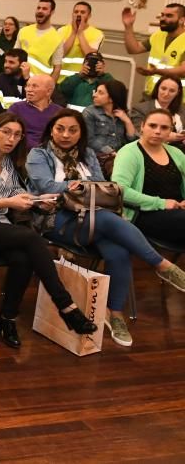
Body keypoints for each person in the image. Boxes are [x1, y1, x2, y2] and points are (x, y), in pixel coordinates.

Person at [0, 112, 97, 348]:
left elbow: (14, 194)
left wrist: (36, 200)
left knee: (23, 258)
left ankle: (7, 319)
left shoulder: (11, 161)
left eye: (18, 135)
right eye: (7, 133)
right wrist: (9, 203)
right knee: (31, 238)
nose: (12, 139)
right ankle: (66, 306)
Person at [29, 109, 185, 346]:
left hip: (93, 217)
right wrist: (80, 186)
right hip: (55, 217)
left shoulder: (88, 154)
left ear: (81, 133)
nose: (66, 134)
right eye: (60, 128)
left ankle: (115, 314)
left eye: (73, 130)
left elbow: (103, 185)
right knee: (108, 220)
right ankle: (161, 264)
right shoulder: (39, 154)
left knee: (118, 249)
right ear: (51, 129)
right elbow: (45, 185)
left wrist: (83, 189)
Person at [114, 108, 185, 241]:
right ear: (142, 126)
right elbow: (120, 190)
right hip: (143, 214)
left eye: (164, 128)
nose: (157, 131)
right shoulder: (129, 153)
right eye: (152, 125)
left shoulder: (176, 153)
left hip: (178, 211)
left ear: (170, 131)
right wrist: (161, 203)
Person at [121, 3, 185, 95]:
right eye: (162, 15)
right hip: (152, 93)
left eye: (169, 16)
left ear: (182, 20)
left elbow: (183, 71)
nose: (163, 19)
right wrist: (128, 27)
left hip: (176, 99)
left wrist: (156, 71)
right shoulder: (158, 35)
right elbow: (133, 49)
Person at [83, 80, 136, 176]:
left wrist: (127, 121)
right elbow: (89, 140)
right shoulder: (89, 112)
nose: (94, 95)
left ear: (111, 98)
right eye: (96, 91)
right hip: (96, 157)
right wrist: (111, 152)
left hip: (119, 158)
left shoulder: (122, 114)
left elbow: (131, 140)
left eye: (100, 93)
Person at [56, 1, 104, 83]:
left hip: (82, 79)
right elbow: (61, 54)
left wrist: (80, 33)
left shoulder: (97, 34)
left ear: (89, 16)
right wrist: (73, 33)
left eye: (82, 12)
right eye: (76, 12)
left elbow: (89, 55)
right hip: (61, 80)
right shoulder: (61, 31)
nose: (78, 14)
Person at [9, 74, 63, 147]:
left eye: (34, 86)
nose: (28, 89)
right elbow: (11, 133)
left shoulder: (59, 112)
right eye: (27, 85)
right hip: (23, 151)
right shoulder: (16, 108)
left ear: (49, 91)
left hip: (51, 152)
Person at [16, 0, 62, 78]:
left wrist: (49, 87)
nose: (40, 11)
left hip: (39, 85)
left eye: (44, 9)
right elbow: (14, 56)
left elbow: (57, 68)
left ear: (52, 12)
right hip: (19, 80)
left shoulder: (57, 38)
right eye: (38, 8)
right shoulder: (23, 31)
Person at [130, 76, 185, 143]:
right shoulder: (141, 109)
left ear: (177, 92)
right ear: (157, 88)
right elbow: (137, 134)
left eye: (172, 91)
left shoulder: (182, 110)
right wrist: (165, 137)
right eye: (163, 89)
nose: (166, 93)